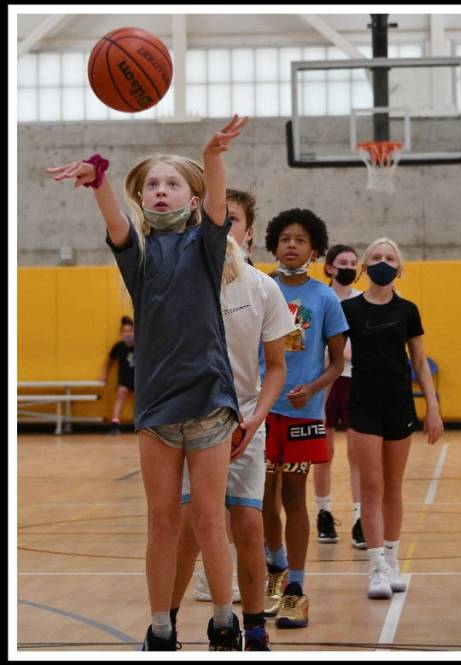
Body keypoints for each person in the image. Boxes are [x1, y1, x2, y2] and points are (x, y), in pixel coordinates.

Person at [47, 114, 252, 650]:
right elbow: (115, 219)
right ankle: (161, 627)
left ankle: (225, 622)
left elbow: (215, 202)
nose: (161, 191)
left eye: (171, 183)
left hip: (209, 401)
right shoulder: (136, 254)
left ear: (191, 196)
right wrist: (97, 178)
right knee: (162, 522)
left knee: (210, 521)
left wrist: (212, 156)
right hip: (157, 407)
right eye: (153, 185)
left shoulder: (207, 245)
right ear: (145, 198)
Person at [168, 188, 292, 651]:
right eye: (212, 219)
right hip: (193, 419)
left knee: (249, 524)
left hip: (244, 418)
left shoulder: (262, 286)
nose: (221, 227)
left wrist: (256, 419)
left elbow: (276, 366)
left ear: (250, 232)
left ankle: (255, 627)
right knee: (190, 528)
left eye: (231, 219)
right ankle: (168, 623)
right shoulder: (180, 279)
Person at [342, 237, 444, 599]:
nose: (383, 261)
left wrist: (432, 408)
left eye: (390, 258)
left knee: (393, 485)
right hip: (363, 406)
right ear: (365, 266)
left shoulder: (408, 310)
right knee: (371, 486)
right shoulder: (349, 310)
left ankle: (392, 559)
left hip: (400, 405)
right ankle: (376, 569)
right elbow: (334, 359)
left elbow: (419, 362)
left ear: (399, 269)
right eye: (376, 257)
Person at [261, 209, 348, 628]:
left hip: (303, 413)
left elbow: (337, 362)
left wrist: (312, 389)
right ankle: (274, 571)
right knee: (261, 499)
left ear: (314, 250)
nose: (291, 245)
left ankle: (295, 586)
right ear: (273, 246)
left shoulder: (325, 298)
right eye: (285, 239)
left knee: (294, 498)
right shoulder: (258, 289)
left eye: (300, 239)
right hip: (260, 412)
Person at [316, 243, 365, 547]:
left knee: (358, 454)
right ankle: (324, 514)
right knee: (324, 453)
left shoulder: (362, 301)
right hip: (322, 382)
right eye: (342, 262)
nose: (348, 266)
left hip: (355, 381)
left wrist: (350, 353)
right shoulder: (321, 298)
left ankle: (361, 517)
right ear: (330, 267)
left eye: (352, 262)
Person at [100, 315, 136, 435]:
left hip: (138, 379)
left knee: (141, 399)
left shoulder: (140, 345)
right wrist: (104, 375)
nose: (128, 333)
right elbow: (108, 361)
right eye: (125, 331)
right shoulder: (119, 347)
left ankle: (143, 424)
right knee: (121, 394)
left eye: (131, 330)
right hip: (124, 378)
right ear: (121, 333)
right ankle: (115, 423)